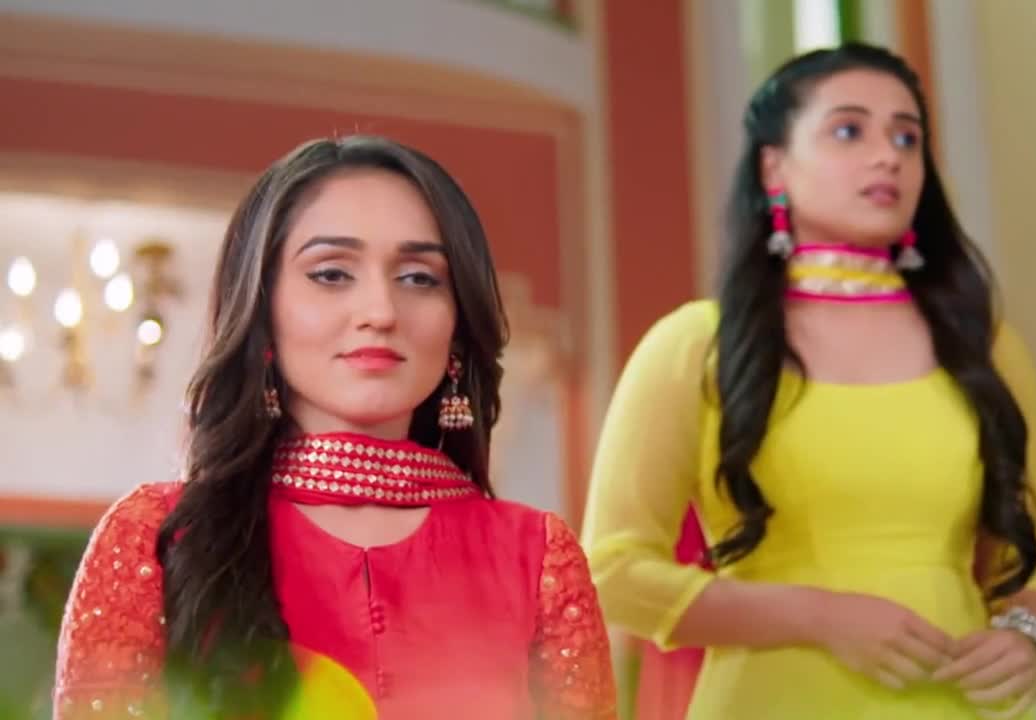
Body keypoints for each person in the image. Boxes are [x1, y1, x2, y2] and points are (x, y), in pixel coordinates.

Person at [580, 42, 1036, 719]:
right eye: (849, 131)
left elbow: (1027, 547)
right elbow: (611, 572)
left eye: (907, 137)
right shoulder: (697, 345)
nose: (887, 156)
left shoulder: (984, 348)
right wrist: (821, 617)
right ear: (774, 166)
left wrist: (1028, 638)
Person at [52, 135, 618, 720]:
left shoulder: (539, 558)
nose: (381, 312)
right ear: (263, 311)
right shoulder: (156, 539)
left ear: (456, 324)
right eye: (331, 274)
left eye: (419, 278)